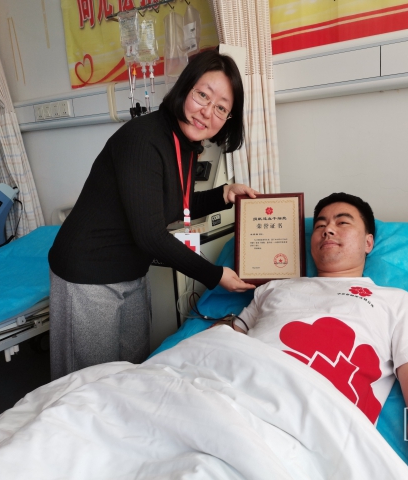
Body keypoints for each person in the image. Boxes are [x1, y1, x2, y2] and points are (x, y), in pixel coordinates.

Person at [48, 50, 257, 381]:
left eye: (221, 108)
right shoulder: (143, 139)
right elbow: (150, 234)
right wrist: (215, 275)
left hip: (131, 271)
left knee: (131, 371)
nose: (207, 111)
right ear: (185, 88)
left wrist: (224, 194)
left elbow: (173, 204)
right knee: (87, 383)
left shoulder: (187, 144)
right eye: (203, 95)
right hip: (89, 272)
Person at [227, 192, 408, 480]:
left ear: (368, 243)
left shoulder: (397, 302)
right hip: (231, 397)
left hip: (310, 424)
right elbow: (221, 342)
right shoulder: (275, 288)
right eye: (320, 224)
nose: (328, 229)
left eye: (342, 222)